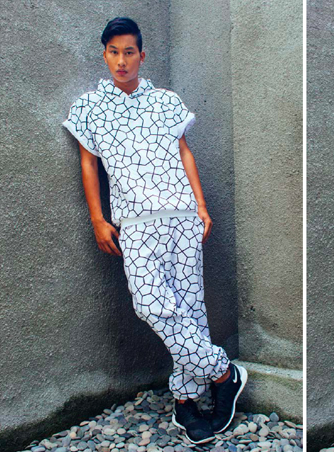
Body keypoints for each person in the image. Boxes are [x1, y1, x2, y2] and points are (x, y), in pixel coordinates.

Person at [62, 17, 247, 445]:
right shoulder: (89, 107)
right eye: (114, 52)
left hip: (182, 216)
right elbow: (88, 164)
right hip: (135, 223)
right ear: (104, 54)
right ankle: (224, 373)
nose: (121, 60)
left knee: (190, 310)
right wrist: (98, 219)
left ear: (142, 55)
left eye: (129, 52)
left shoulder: (166, 100)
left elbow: (185, 152)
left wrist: (201, 206)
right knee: (151, 305)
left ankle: (186, 403)